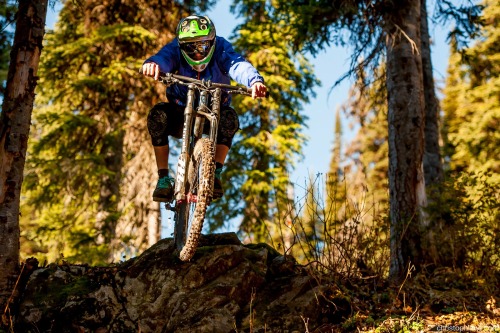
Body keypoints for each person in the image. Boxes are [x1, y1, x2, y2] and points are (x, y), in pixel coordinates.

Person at [141, 14, 267, 202]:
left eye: (202, 47)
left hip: (214, 111)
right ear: (181, 46)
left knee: (230, 119)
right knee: (158, 116)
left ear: (212, 42)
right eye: (191, 48)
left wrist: (254, 81)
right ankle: (164, 178)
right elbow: (164, 58)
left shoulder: (221, 48)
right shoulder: (175, 48)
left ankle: (214, 173)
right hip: (181, 110)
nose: (198, 53)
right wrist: (153, 65)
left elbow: (237, 65)